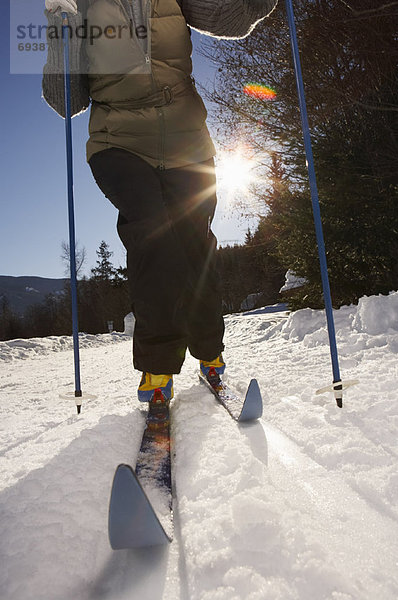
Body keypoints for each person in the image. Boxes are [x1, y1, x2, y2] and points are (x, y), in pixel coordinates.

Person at [42, 0, 277, 408]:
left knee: (194, 245)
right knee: (154, 234)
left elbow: (232, 18)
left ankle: (209, 353)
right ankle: (157, 369)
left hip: (187, 139)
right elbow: (66, 100)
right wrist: (59, 25)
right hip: (119, 141)